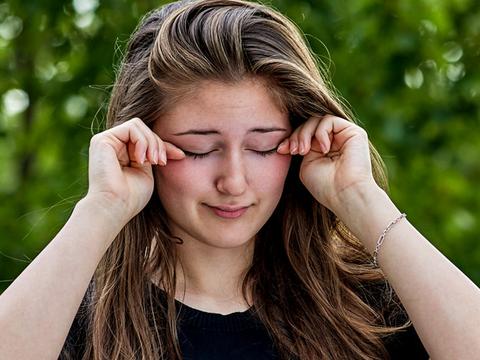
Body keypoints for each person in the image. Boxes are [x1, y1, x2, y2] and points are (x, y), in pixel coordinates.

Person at [1, 0, 479, 359]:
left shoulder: (366, 304)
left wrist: (360, 199)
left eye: (262, 146)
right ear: (140, 142)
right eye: (199, 148)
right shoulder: (79, 314)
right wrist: (99, 210)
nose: (234, 180)